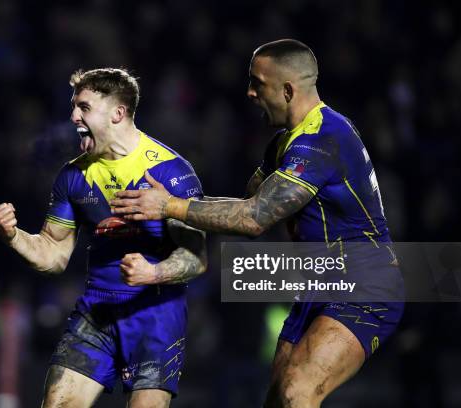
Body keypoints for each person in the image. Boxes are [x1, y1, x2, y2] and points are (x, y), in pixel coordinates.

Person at [111, 40, 405, 407]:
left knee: (298, 390)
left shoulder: (322, 140)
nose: (249, 92)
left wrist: (169, 206)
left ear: (287, 90)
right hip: (319, 284)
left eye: (257, 83)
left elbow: (254, 219)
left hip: (365, 285)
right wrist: (167, 203)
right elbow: (246, 204)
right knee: (279, 399)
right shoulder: (284, 143)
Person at [0, 68, 207, 408]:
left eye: (84, 107)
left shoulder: (171, 172)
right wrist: (13, 236)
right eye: (74, 107)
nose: (74, 115)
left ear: (118, 113)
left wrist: (154, 274)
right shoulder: (73, 176)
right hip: (97, 310)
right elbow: (53, 255)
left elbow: (196, 258)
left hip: (156, 316)